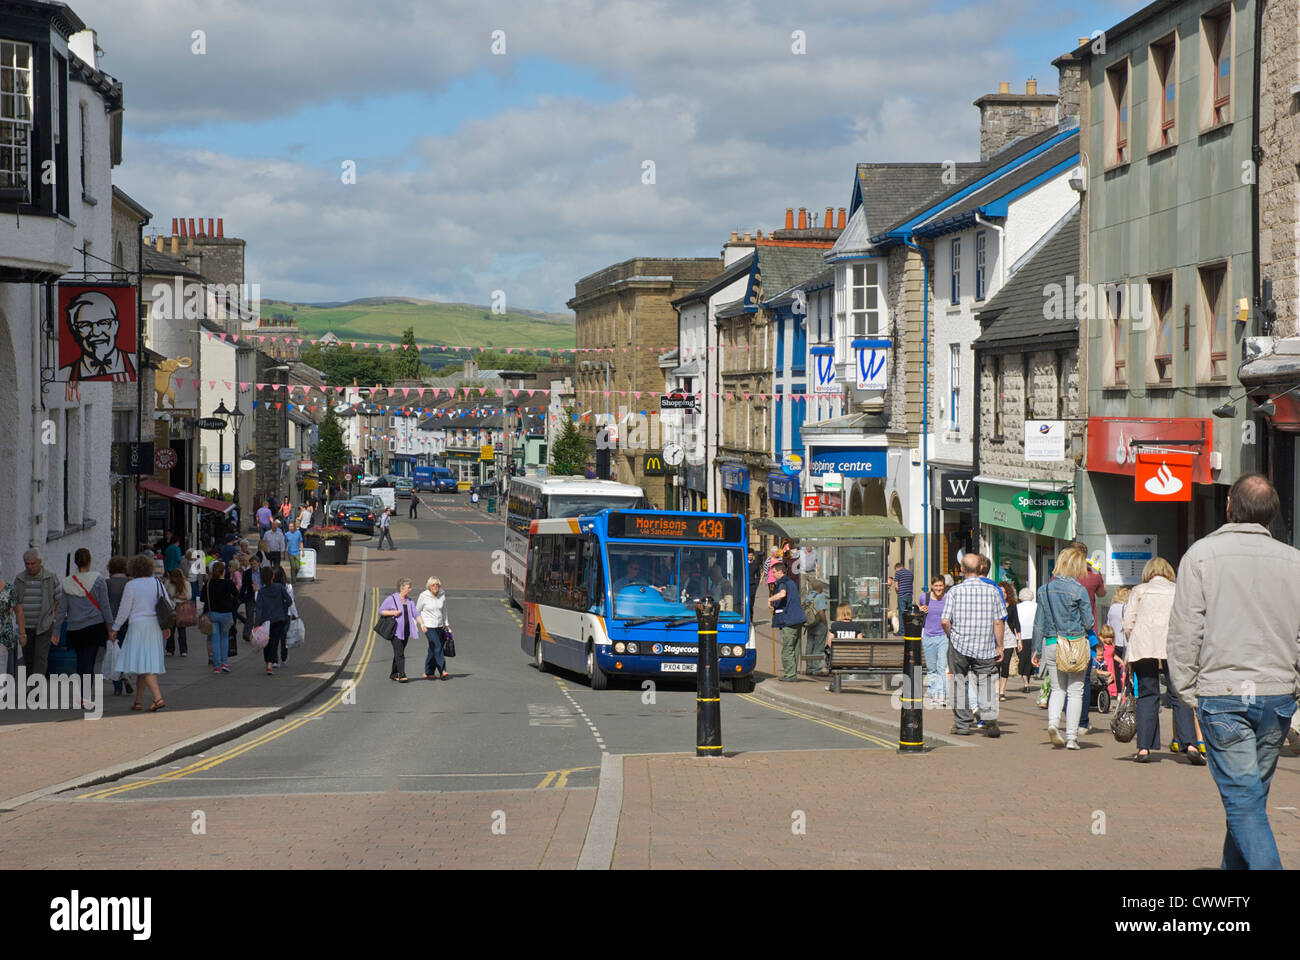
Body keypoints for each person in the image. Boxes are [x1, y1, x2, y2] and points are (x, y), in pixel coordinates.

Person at [1167, 475, 1300, 869]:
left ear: (1229, 505)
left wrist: (1188, 689)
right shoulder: (1294, 561)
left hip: (1222, 693)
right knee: (1248, 800)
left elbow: (1185, 631)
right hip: (1275, 695)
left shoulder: (1202, 555)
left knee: (1244, 802)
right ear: (1272, 513)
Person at [1122, 556, 1201, 764]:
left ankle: (1144, 749)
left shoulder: (1139, 590)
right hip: (1173, 645)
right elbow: (1187, 619)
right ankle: (1191, 744)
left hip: (1143, 645)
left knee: (1148, 695)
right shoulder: (1177, 590)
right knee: (1180, 694)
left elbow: (1128, 622)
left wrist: (1133, 639)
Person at [1031, 547, 1094, 750]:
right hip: (1074, 644)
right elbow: (1089, 621)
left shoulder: (1044, 589)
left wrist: (1036, 650)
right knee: (1076, 690)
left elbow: (1038, 623)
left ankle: (1052, 724)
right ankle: (1072, 737)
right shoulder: (1079, 590)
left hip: (1051, 644)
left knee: (1058, 688)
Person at [941, 553, 1007, 737]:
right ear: (980, 569)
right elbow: (998, 622)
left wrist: (952, 636)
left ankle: (962, 724)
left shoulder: (954, 591)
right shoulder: (993, 591)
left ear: (962, 570)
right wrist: (999, 646)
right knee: (986, 683)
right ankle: (990, 720)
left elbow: (945, 621)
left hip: (959, 645)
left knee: (958, 683)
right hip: (985, 646)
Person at [54, 549, 114, 709]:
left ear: (75, 562)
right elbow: (105, 606)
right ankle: (85, 697)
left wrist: (56, 631)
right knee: (90, 661)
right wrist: (111, 628)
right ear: (90, 560)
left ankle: (81, 694)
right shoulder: (99, 580)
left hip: (75, 628)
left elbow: (62, 610)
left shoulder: (67, 582)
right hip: (94, 626)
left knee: (80, 661)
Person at [111, 553, 172, 712]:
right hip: (154, 626)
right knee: (144, 664)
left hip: (138, 626)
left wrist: (115, 628)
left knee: (145, 666)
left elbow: (124, 610)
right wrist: (167, 627)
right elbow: (167, 605)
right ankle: (138, 702)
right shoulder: (157, 583)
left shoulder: (131, 585)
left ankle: (158, 698)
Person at [58, 289, 137, 382]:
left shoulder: (135, 363)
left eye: (104, 323)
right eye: (85, 325)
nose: (96, 332)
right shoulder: (65, 374)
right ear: (75, 330)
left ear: (116, 325)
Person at [14, 549, 60, 678]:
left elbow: (59, 600)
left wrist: (54, 619)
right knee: (28, 660)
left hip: (44, 626)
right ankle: (31, 686)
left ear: (39, 562)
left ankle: (36, 691)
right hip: (25, 627)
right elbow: (14, 603)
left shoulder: (50, 578)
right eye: (27, 564)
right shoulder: (19, 579)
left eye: (32, 563)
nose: (29, 566)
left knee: (40, 658)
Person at [767, 560, 805, 683]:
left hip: (789, 620)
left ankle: (790, 674)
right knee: (794, 647)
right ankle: (792, 672)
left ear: (780, 572)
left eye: (774, 572)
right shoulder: (791, 582)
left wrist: (770, 599)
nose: (772, 575)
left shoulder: (783, 582)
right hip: (798, 619)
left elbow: (782, 594)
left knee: (787, 648)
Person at [379, 577, 422, 682]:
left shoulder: (409, 601)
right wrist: (393, 612)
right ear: (402, 588)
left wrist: (422, 624)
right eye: (409, 587)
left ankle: (394, 674)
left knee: (399, 652)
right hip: (396, 632)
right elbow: (381, 611)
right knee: (400, 653)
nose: (410, 589)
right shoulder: (392, 598)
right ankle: (402, 675)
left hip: (406, 631)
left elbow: (416, 614)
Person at [254, 564, 294, 675]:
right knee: (274, 642)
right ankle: (270, 665)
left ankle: (268, 662)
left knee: (266, 643)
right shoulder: (279, 587)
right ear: (272, 576)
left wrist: (256, 624)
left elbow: (259, 609)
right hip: (279, 619)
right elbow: (289, 601)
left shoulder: (261, 592)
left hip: (265, 621)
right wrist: (283, 608)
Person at [201, 561, 239, 674]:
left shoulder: (208, 583)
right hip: (226, 614)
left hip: (213, 614)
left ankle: (216, 665)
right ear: (223, 572)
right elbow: (237, 595)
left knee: (215, 640)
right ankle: (224, 663)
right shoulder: (228, 583)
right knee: (225, 638)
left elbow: (203, 598)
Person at [916, 576, 948, 708]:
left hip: (944, 636)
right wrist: (920, 609)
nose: (939, 588)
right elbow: (918, 605)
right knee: (931, 668)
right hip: (928, 636)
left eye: (941, 586)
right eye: (936, 586)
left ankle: (940, 696)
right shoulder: (925, 597)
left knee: (941, 666)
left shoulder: (948, 598)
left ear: (944, 586)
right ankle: (933, 691)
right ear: (932, 586)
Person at [104, 556, 132, 695]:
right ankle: (126, 673)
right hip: (127, 621)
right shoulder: (129, 583)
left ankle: (117, 686)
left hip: (111, 622)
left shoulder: (106, 583)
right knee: (125, 651)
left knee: (114, 652)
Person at [415, 576, 450, 681]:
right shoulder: (423, 596)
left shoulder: (442, 594)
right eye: (433, 585)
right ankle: (442, 670)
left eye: (437, 585)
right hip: (428, 626)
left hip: (439, 626)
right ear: (429, 586)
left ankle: (428, 672)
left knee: (432, 649)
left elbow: (444, 610)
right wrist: (420, 624)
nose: (436, 587)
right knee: (438, 646)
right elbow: (416, 611)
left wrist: (446, 623)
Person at [0, 560, 27, 684]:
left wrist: (22, 633)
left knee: (1, 665)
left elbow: (19, 612)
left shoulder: (9, 589)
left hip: (4, 635)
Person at [996, 581, 1021, 703]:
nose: (1003, 594)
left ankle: (1002, 691)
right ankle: (995, 690)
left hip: (1010, 638)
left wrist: (1019, 640)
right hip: (996, 638)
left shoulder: (1012, 605)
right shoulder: (994, 604)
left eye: (1005, 592)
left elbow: (1016, 622)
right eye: (1001, 592)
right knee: (996, 666)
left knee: (1005, 665)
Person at [1073, 540, 1107, 625]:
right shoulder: (1094, 574)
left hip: (1065, 626)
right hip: (1088, 625)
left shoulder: (1061, 574)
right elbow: (1101, 593)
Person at [802, 577, 829, 675]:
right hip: (819, 624)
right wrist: (825, 623)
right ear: (819, 587)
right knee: (818, 646)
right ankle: (816, 668)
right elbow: (821, 612)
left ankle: (809, 667)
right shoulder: (820, 596)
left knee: (810, 645)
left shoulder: (809, 596)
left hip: (810, 624)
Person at [163, 567, 191, 657]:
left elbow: (188, 596)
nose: (173, 579)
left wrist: (175, 596)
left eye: (175, 577)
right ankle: (170, 649)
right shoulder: (168, 583)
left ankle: (183, 650)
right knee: (170, 630)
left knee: (182, 631)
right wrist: (177, 596)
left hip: (181, 607)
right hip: (171, 607)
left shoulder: (186, 584)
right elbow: (164, 594)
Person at [1015, 586, 1037, 692]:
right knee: (1030, 659)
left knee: (1022, 659)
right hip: (1033, 635)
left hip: (1021, 636)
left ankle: (1026, 682)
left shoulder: (1017, 607)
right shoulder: (1036, 606)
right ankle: (1027, 680)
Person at [1106, 586, 1130, 664]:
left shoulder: (1112, 607)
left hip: (1114, 642)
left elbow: (1108, 624)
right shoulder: (1127, 607)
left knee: (1116, 668)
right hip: (1125, 642)